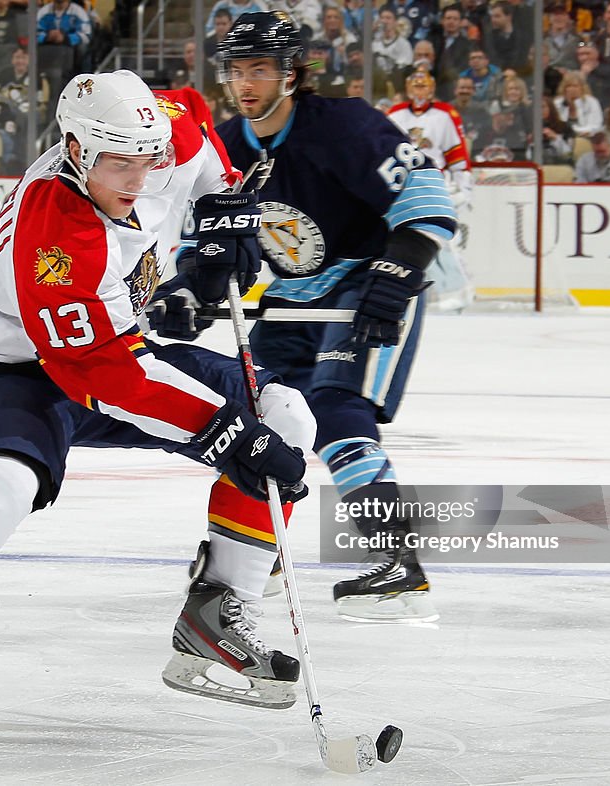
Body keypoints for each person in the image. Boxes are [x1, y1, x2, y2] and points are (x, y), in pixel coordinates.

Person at [0, 70, 312, 724]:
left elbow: (202, 140)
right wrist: (228, 432)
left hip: (116, 345)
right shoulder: (54, 231)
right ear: (75, 148)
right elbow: (105, 375)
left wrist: (217, 224)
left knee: (286, 414)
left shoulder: (158, 134)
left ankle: (217, 612)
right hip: (10, 365)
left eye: (149, 162)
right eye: (119, 166)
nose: (138, 181)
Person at [161, 12, 457, 622]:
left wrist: (397, 274)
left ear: (292, 74)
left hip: (368, 285)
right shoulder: (227, 147)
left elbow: (426, 197)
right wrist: (189, 291)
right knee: (264, 417)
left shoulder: (343, 128)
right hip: (293, 297)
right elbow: (206, 241)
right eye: (238, 69)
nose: (247, 84)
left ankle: (398, 558)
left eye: (262, 69)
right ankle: (255, 554)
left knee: (338, 409)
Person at [388, 67, 473, 311]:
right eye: (415, 85)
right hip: (404, 185)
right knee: (416, 240)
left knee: (439, 239)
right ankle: (451, 288)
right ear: (407, 87)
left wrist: (464, 186)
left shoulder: (445, 114)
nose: (419, 90)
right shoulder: (395, 114)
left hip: (436, 184)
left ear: (432, 88)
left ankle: (457, 289)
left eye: (423, 85)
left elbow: (457, 155)